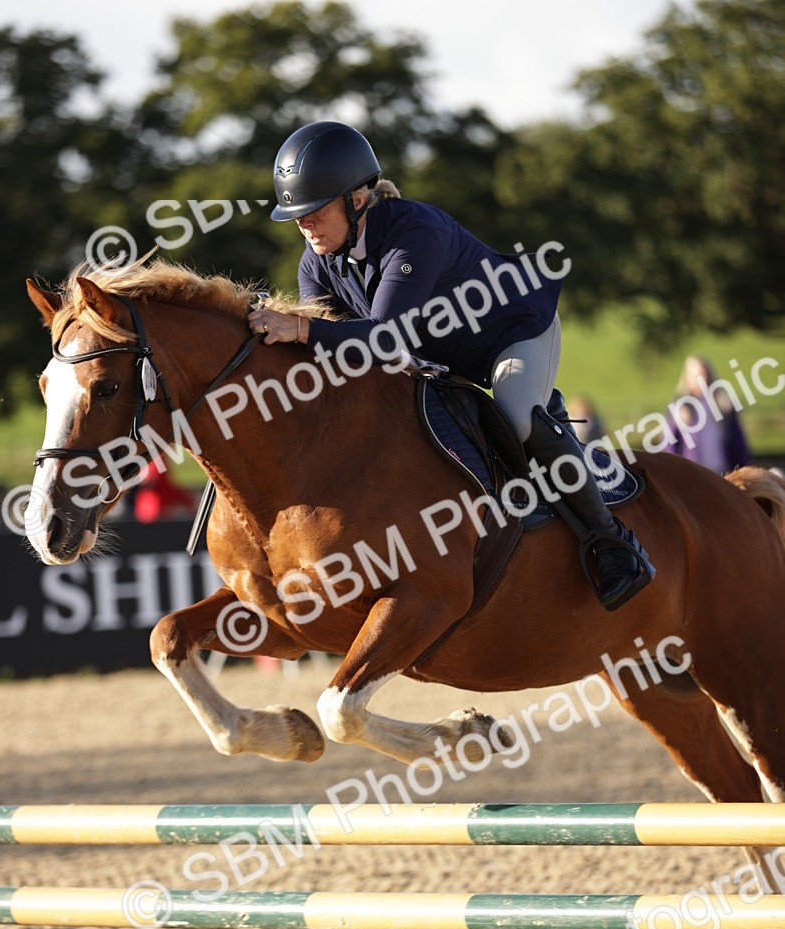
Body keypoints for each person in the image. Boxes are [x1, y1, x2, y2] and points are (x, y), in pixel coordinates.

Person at [248, 121, 654, 610]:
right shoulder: (318, 261)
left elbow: (385, 336)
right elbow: (331, 352)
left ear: (357, 201)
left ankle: (611, 544)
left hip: (513, 334)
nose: (304, 225)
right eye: (297, 215)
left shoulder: (414, 233)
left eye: (314, 212)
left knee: (518, 416)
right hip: (438, 360)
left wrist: (299, 327)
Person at [667, 354, 751, 474]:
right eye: (694, 375)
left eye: (702, 373)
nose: (699, 378)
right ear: (686, 377)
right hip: (692, 473)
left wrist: (743, 468)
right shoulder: (681, 407)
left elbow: (737, 441)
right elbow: (669, 445)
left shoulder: (722, 403)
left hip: (723, 471)